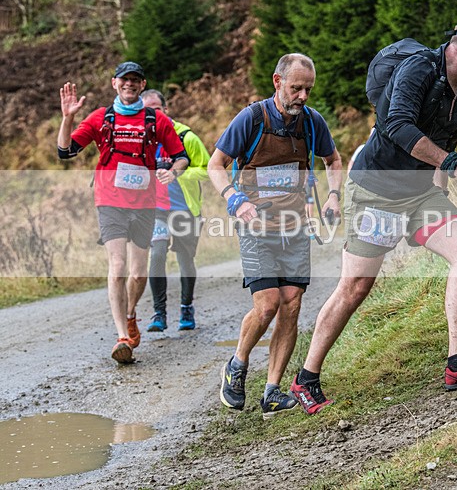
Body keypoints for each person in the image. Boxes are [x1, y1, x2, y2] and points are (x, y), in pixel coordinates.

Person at [290, 19, 457, 416]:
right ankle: (305, 378)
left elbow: (444, 144)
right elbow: (395, 124)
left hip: (421, 195)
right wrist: (453, 163)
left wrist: (442, 199)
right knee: (356, 287)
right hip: (377, 191)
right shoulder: (418, 68)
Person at [208, 53, 342, 417]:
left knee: (292, 304)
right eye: (296, 87)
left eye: (308, 89)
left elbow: (333, 160)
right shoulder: (252, 118)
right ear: (277, 82)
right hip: (255, 227)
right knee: (267, 305)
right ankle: (236, 366)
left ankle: (272, 390)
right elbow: (215, 164)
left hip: (296, 227)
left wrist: (333, 195)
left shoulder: (312, 123)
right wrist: (234, 199)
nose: (302, 96)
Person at [57, 62, 189, 363]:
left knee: (138, 272)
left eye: (135, 80)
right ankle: (122, 337)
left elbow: (181, 157)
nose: (129, 84)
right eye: (124, 80)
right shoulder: (101, 117)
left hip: (144, 203)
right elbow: (65, 152)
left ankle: (130, 314)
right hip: (109, 200)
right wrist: (67, 119)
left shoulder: (155, 119)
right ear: (115, 83)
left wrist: (173, 172)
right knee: (117, 266)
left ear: (141, 85)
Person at [141, 90, 211, 332]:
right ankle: (159, 313)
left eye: (156, 109)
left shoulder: (185, 136)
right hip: (155, 211)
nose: (152, 114)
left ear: (166, 110)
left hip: (185, 210)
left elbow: (207, 168)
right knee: (157, 254)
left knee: (184, 259)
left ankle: (186, 307)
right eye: (147, 110)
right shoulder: (141, 139)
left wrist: (178, 173)